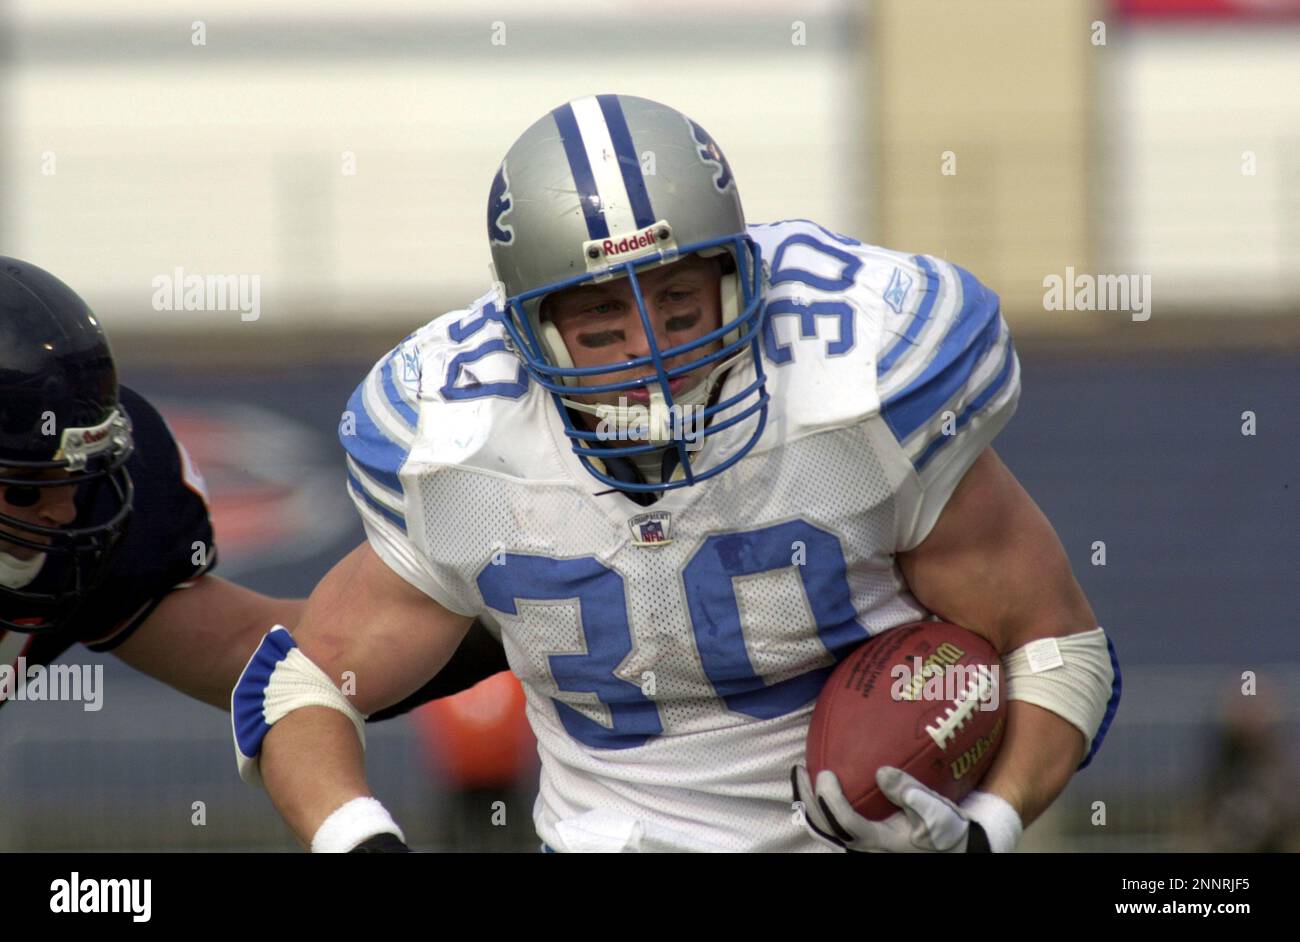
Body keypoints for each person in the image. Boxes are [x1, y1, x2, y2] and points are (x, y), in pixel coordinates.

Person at [234, 94, 1121, 853]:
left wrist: (987, 830)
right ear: (529, 335)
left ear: (741, 280)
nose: (651, 356)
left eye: (680, 304)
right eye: (601, 325)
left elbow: (1057, 647)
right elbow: (303, 683)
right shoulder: (467, 446)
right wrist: (360, 840)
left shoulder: (855, 393)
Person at [0, 257, 506, 723]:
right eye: (28, 489)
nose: (65, 512)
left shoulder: (97, 519)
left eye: (76, 481)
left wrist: (507, 620)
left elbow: (266, 657)